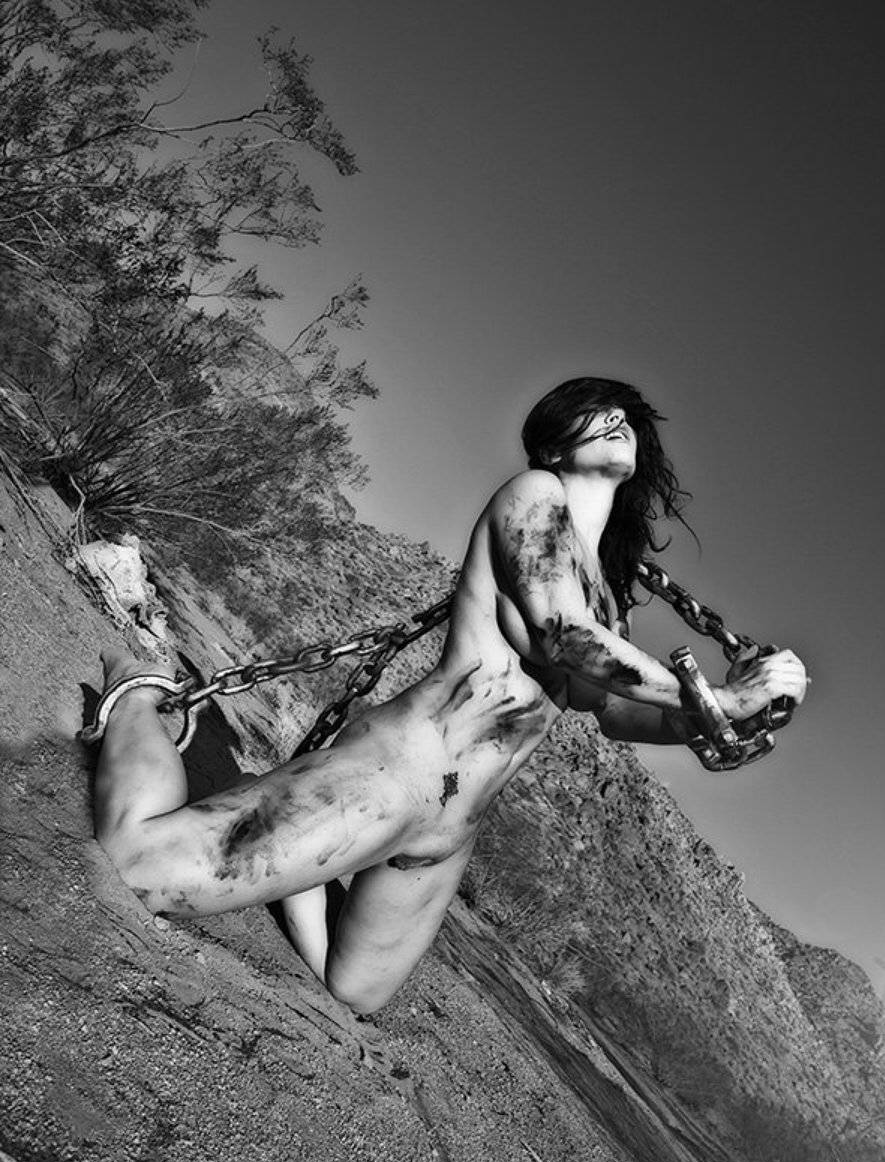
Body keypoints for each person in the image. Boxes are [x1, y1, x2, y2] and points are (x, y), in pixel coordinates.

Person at [94, 377, 808, 1014]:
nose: (618, 419)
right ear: (554, 444)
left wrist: (714, 722)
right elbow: (562, 633)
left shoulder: (611, 604)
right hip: (394, 774)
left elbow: (615, 712)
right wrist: (720, 697)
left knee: (355, 991)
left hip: (451, 830)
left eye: (626, 415)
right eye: (597, 411)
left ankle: (300, 861)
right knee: (140, 869)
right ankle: (134, 693)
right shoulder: (534, 496)